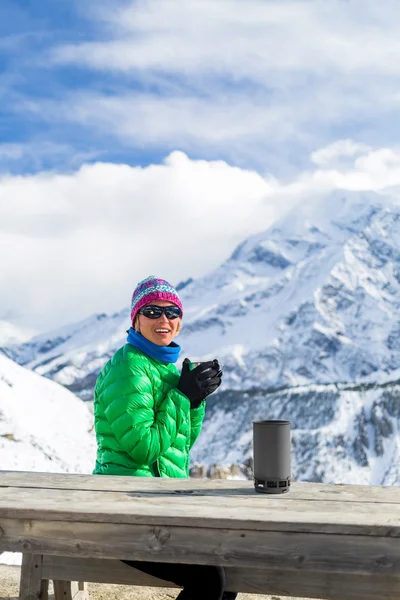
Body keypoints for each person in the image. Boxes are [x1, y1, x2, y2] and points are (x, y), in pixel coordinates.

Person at [93, 276, 237, 600]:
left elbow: (180, 446)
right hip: (123, 512)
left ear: (180, 321)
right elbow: (144, 449)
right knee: (210, 579)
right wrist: (182, 397)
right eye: (153, 311)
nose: (164, 320)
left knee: (232, 562)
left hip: (158, 505)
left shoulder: (165, 367)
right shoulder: (129, 367)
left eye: (172, 312)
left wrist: (195, 400)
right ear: (136, 319)